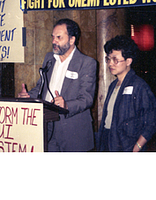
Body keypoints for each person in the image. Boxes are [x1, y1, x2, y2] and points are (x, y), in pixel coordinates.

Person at [18, 18, 97, 152]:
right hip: (47, 126)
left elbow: (87, 98)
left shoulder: (86, 63)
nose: (54, 41)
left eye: (59, 37)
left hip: (73, 130)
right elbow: (41, 87)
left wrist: (67, 105)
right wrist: (28, 96)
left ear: (72, 40)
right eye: (53, 37)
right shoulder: (49, 58)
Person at [97, 35, 156, 152]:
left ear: (128, 61)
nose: (110, 64)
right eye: (108, 59)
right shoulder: (113, 85)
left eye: (115, 60)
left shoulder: (139, 86)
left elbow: (151, 122)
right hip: (107, 140)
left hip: (126, 145)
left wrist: (138, 147)